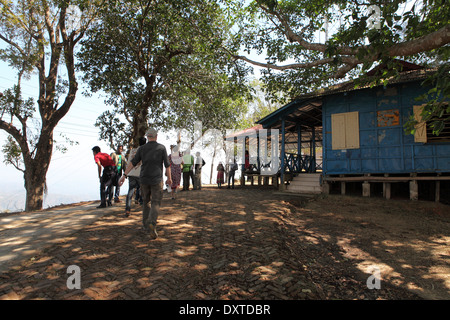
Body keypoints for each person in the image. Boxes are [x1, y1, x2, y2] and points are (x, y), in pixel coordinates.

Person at [119, 128, 171, 239]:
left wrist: (124, 175)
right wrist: (169, 178)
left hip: (144, 180)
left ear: (147, 137)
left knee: (146, 201)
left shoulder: (142, 149)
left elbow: (133, 162)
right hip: (157, 180)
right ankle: (152, 222)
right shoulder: (161, 148)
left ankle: (145, 226)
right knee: (156, 202)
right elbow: (167, 165)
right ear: (156, 136)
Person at [124, 137, 146, 217]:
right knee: (143, 191)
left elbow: (129, 161)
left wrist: (125, 173)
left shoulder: (133, 151)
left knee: (130, 192)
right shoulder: (145, 151)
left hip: (131, 173)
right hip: (140, 174)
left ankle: (127, 210)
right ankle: (144, 209)